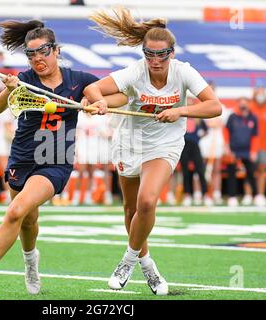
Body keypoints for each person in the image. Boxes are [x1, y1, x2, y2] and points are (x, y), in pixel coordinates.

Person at [0, 19, 122, 295]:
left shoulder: (78, 81)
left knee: (14, 211)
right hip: (22, 158)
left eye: (44, 51)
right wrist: (10, 90)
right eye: (31, 53)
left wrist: (99, 103)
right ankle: (31, 263)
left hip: (55, 160)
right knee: (27, 220)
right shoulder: (24, 80)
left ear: (56, 50)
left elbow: (119, 97)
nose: (38, 58)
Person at [83, 8, 221, 295]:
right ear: (143, 52)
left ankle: (127, 262)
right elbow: (94, 89)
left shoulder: (183, 71)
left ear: (172, 52)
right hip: (130, 143)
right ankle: (148, 267)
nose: (155, 61)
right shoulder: (136, 71)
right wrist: (99, 103)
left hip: (165, 144)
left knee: (147, 202)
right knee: (131, 209)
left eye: (161, 54)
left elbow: (214, 106)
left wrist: (180, 110)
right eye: (149, 54)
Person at [199, 81, 232, 205]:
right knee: (202, 168)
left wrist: (215, 122)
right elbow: (208, 122)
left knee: (216, 169)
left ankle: (216, 193)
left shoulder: (222, 107)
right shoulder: (201, 105)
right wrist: (214, 122)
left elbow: (222, 122)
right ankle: (200, 193)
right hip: (205, 140)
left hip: (217, 140)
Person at [223, 97, 259, 207]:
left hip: (247, 150)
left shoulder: (253, 118)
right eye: (241, 102)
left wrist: (254, 151)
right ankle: (232, 197)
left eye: (245, 102)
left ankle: (257, 196)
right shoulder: (232, 117)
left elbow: (255, 136)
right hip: (234, 150)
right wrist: (227, 147)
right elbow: (226, 131)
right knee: (231, 173)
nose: (243, 105)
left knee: (251, 173)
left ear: (249, 104)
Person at [180, 114, 212, 206]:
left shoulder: (198, 118)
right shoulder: (182, 117)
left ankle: (205, 194)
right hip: (184, 146)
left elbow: (206, 130)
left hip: (195, 146)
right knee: (185, 172)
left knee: (200, 171)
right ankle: (187, 195)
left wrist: (198, 137)